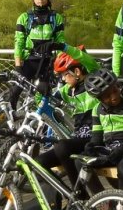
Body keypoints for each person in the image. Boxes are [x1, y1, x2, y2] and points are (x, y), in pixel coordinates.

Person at [35, 47, 99, 192]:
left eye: (65, 75)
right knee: (39, 162)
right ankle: (68, 195)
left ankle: (80, 194)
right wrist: (41, 87)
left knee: (62, 146)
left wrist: (64, 47)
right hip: (79, 139)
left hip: (96, 137)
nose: (63, 79)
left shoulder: (94, 80)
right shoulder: (67, 90)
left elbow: (87, 61)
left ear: (77, 72)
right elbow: (43, 102)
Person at [83, 68, 123, 199]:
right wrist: (91, 146)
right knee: (82, 163)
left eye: (115, 90)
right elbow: (97, 138)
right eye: (107, 96)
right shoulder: (96, 110)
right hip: (110, 150)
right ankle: (105, 203)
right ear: (99, 98)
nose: (114, 96)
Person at [10, 0, 65, 107]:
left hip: (47, 63)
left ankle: (42, 125)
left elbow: (61, 43)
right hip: (29, 61)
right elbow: (19, 43)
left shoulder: (56, 18)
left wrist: (59, 67)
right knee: (14, 93)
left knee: (44, 97)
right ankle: (10, 122)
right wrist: (18, 67)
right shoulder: (24, 18)